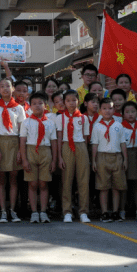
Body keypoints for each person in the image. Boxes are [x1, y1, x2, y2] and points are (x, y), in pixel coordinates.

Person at [19, 91, 57, 223]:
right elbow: (22, 141)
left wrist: (54, 160)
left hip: (46, 152)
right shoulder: (26, 122)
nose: (37, 106)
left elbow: (53, 143)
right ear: (30, 106)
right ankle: (34, 211)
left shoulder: (50, 123)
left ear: (45, 105)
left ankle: (44, 211)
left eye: (40, 103)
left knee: (43, 184)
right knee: (32, 184)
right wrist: (24, 159)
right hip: (31, 151)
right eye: (34, 103)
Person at [0, 78, 26, 223]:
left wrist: (20, 150)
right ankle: (2, 211)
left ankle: (12, 210)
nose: (5, 88)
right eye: (2, 86)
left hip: (14, 142)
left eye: (8, 86)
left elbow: (22, 131)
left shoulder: (18, 108)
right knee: (1, 179)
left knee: (13, 179)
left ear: (12, 88)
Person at [57, 90, 91, 224]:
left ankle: (83, 211)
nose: (71, 103)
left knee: (83, 180)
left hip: (80, 146)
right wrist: (59, 156)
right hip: (66, 146)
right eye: (68, 100)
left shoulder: (84, 118)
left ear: (78, 101)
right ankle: (67, 211)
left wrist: (81, 149)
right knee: (67, 179)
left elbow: (86, 137)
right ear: (64, 102)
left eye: (74, 100)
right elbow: (59, 137)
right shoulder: (60, 117)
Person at [91, 98, 127, 223]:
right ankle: (105, 212)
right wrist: (94, 160)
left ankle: (116, 212)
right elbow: (94, 144)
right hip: (102, 156)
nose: (107, 111)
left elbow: (123, 143)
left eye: (110, 108)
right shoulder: (97, 126)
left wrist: (125, 159)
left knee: (117, 186)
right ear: (100, 110)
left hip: (117, 156)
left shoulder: (118, 125)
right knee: (103, 186)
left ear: (114, 109)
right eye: (104, 108)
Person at [121, 101, 137, 221]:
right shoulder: (120, 127)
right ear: (123, 114)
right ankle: (122, 210)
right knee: (124, 185)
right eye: (127, 112)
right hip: (126, 155)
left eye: (133, 112)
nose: (130, 114)